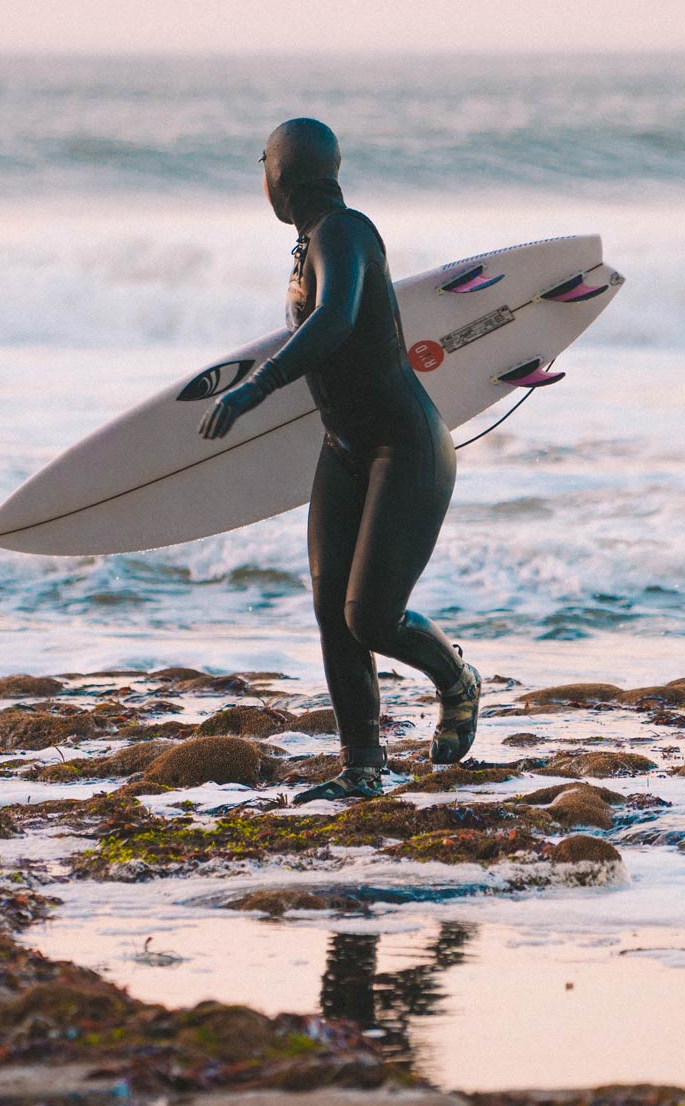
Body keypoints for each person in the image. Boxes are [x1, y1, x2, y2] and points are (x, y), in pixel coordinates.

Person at [199, 117, 480, 802]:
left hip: (404, 446)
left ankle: (457, 681)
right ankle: (362, 766)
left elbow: (337, 319)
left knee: (371, 618)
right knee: (331, 611)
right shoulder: (310, 243)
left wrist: (255, 389)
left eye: (262, 164)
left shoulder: (346, 233)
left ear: (281, 174)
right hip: (345, 448)